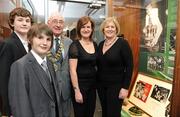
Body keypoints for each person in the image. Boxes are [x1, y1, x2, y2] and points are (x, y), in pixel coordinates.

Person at [8, 23, 61, 117]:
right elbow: (20, 107)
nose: (45, 43)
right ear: (30, 39)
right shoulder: (20, 66)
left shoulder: (49, 63)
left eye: (48, 39)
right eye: (40, 38)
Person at [97, 17, 133, 117]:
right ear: (103, 30)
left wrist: (125, 88)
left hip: (116, 88)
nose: (110, 29)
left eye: (112, 27)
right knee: (104, 112)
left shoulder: (122, 44)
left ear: (116, 29)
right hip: (101, 87)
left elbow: (129, 66)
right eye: (107, 27)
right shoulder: (100, 45)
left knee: (113, 114)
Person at [0, 7, 33, 116]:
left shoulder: (30, 44)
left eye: (27, 21)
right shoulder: (8, 44)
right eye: (20, 20)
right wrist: (8, 110)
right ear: (12, 23)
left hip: (30, 100)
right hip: (16, 103)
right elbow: (4, 79)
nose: (24, 23)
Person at [69, 16, 97, 117]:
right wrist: (77, 91)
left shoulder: (95, 44)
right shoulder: (74, 46)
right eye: (83, 27)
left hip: (92, 87)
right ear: (79, 29)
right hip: (80, 87)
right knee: (80, 114)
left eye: (88, 27)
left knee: (90, 113)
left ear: (92, 29)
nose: (86, 29)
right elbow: (72, 70)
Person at [47, 12, 72, 117]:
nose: (58, 25)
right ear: (48, 23)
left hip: (65, 89)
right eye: (55, 21)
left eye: (61, 22)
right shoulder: (42, 40)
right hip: (48, 89)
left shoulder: (69, 42)